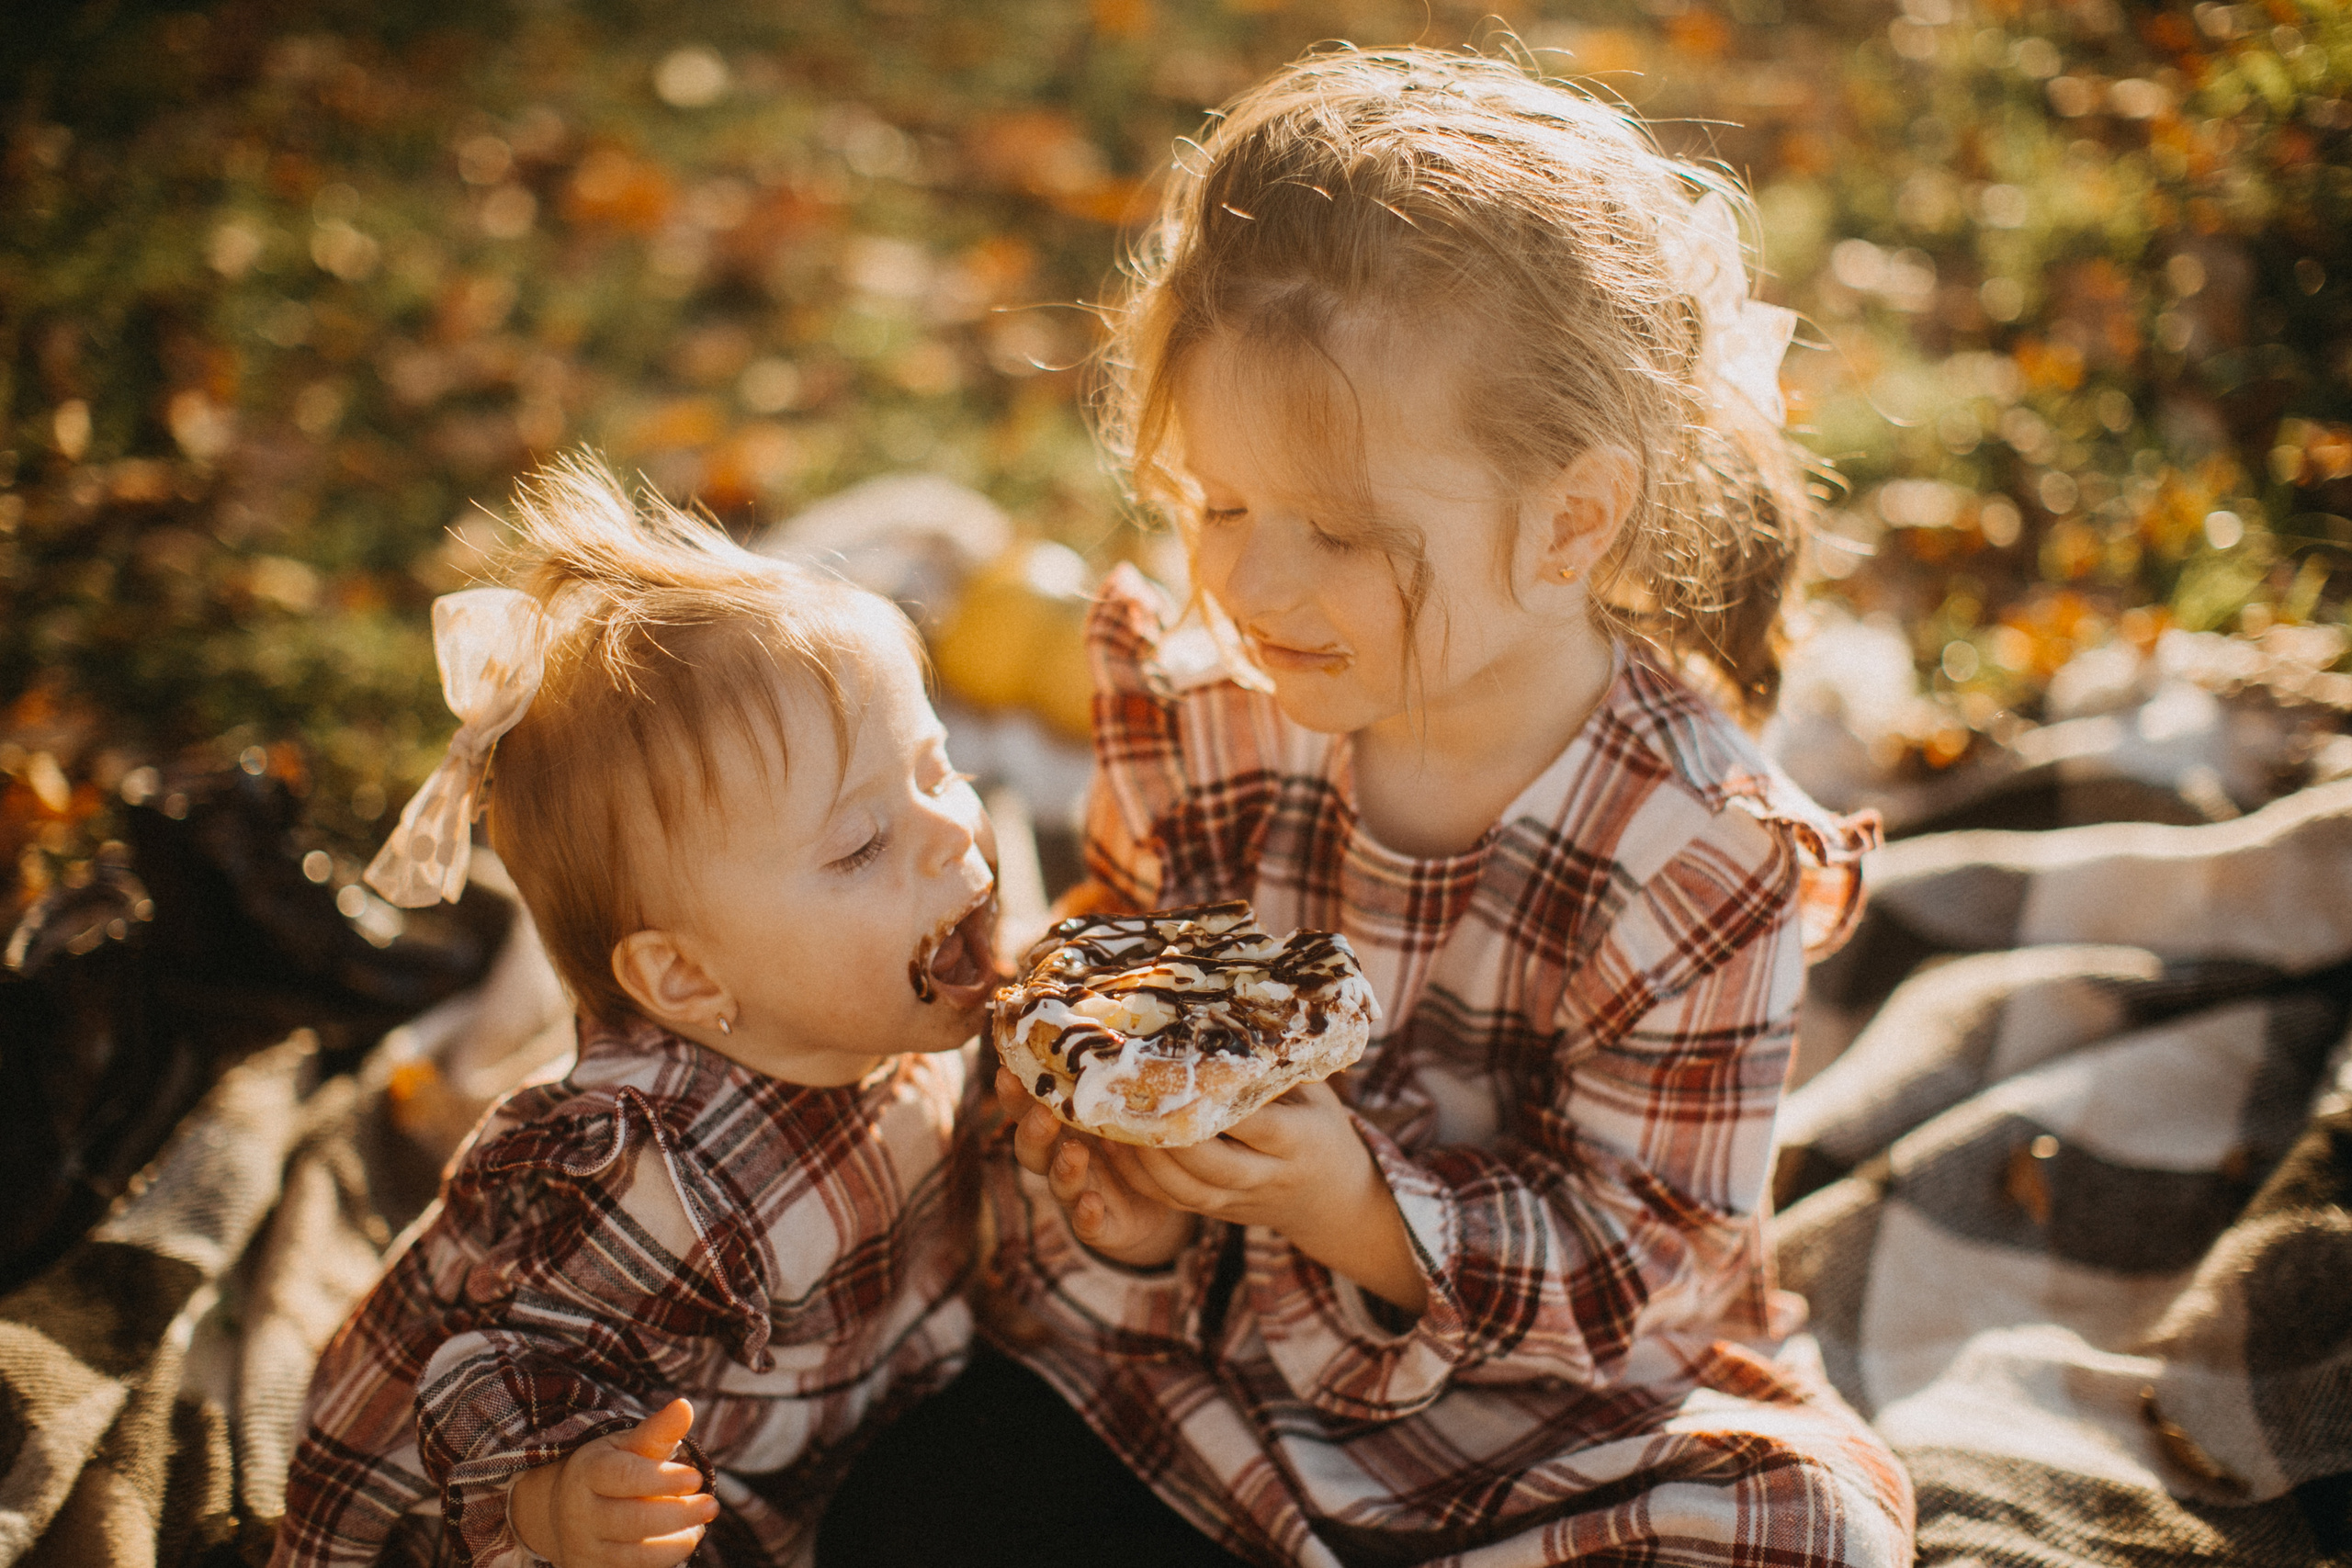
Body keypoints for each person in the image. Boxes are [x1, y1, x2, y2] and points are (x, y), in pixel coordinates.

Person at [820, 44, 1914, 1568]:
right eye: (1219, 504)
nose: (1253, 585)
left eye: (1337, 532)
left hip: (1541, 1423)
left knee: (1802, 1528)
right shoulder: (1204, 714)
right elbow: (1108, 999)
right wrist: (1113, 1189)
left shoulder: (1698, 852)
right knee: (905, 1507)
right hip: (1186, 1378)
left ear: (1571, 522)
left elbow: (1646, 1258)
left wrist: (1358, 1207)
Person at [274, 457, 1000, 1568]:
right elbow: (479, 1374)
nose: (951, 830)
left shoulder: (890, 1001)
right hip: (551, 1515)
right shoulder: (651, 1178)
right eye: (859, 846)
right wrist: (556, 1498)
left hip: (803, 1430)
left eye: (937, 768)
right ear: (689, 983)